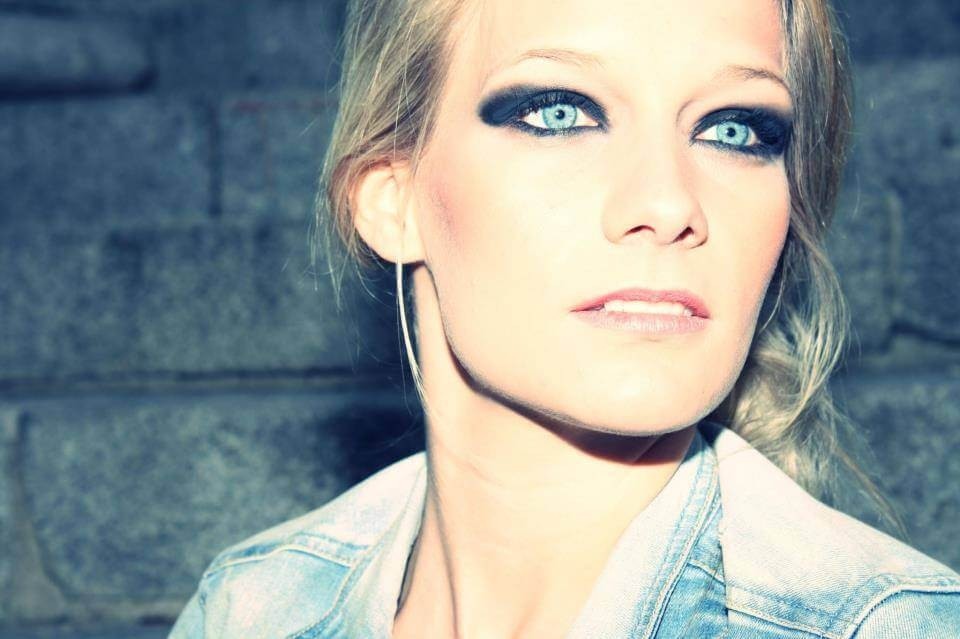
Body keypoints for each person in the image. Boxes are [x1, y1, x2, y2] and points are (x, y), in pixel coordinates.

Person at [169, 0, 960, 636]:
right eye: (559, 113)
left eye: (734, 130)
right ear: (393, 199)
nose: (668, 203)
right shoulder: (253, 605)